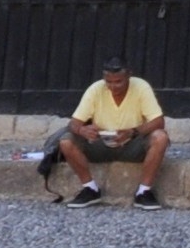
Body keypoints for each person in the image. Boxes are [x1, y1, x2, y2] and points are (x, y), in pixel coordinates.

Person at [42, 60, 168, 206]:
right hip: (100, 144)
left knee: (160, 137)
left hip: (133, 144)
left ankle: (144, 191)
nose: (113, 86)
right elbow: (74, 123)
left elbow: (159, 122)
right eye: (109, 82)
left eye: (118, 82)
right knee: (66, 141)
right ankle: (90, 189)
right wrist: (82, 130)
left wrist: (133, 132)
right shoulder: (95, 89)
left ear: (129, 76)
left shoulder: (141, 87)